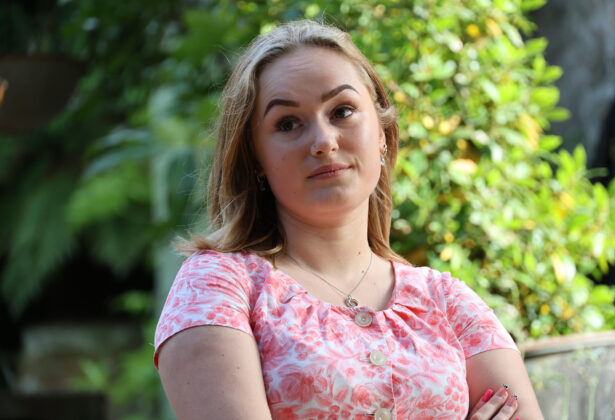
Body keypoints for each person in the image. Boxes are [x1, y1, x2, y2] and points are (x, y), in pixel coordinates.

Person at [154, 20, 544, 420]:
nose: (323, 142)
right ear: (255, 157)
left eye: (342, 111)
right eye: (287, 123)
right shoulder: (218, 288)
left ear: (382, 133)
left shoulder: (446, 302)